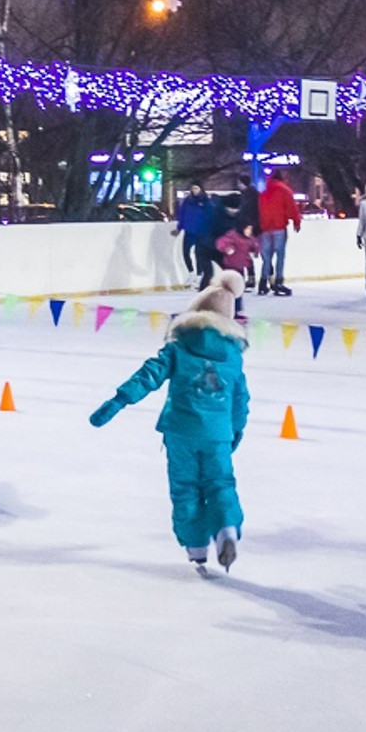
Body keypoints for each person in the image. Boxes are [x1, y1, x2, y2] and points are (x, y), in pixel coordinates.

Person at [89, 270, 251, 574]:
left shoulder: (177, 347)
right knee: (220, 483)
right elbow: (241, 399)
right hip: (218, 435)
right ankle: (226, 528)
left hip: (180, 433)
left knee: (185, 488)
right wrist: (236, 430)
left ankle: (197, 547)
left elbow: (148, 376)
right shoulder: (233, 357)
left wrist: (119, 400)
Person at [256, 170, 302, 296]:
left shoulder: (263, 191)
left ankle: (263, 282)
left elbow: (259, 209)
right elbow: (292, 208)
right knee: (280, 256)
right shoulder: (284, 190)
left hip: (265, 228)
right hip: (279, 227)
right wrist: (296, 222)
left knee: (267, 257)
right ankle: (278, 282)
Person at [170, 182, 217, 284]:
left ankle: (199, 275)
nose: (194, 190)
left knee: (198, 254)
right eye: (193, 188)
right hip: (189, 231)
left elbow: (209, 216)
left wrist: (208, 230)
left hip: (201, 232)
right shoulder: (187, 201)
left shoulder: (205, 201)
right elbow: (182, 215)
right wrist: (179, 228)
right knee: (185, 252)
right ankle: (191, 272)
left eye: (196, 188)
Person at [216, 221, 261, 292]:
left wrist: (255, 252)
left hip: (244, 261)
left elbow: (255, 245)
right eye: (247, 229)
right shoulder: (232, 236)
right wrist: (227, 248)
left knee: (247, 270)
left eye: (250, 229)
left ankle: (249, 283)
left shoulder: (250, 238)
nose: (249, 231)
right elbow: (221, 243)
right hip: (231, 262)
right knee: (233, 275)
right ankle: (230, 286)